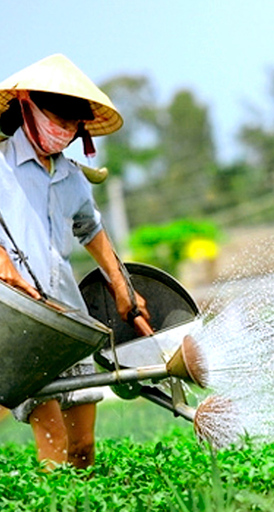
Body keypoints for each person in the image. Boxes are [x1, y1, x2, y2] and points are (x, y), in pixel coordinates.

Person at [0, 54, 149, 470]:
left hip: (68, 318)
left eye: (71, 127)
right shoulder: (1, 165)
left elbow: (91, 229)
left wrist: (122, 286)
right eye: (56, 121)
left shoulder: (70, 177)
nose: (63, 133)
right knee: (54, 447)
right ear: (27, 105)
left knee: (82, 446)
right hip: (22, 321)